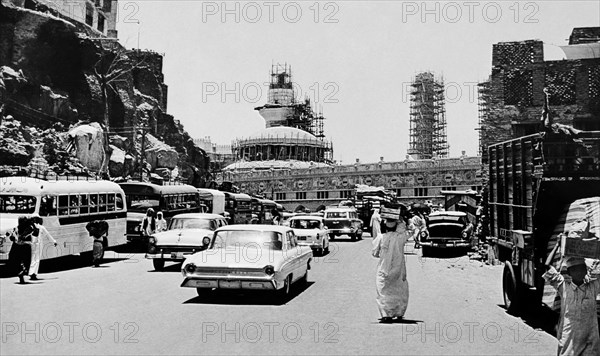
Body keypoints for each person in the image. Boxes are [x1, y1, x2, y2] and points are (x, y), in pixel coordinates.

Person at [544, 256, 600, 356]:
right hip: (569, 340)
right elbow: (547, 267)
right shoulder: (564, 286)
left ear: (586, 270)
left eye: (581, 269)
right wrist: (557, 245)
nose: (578, 272)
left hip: (590, 341)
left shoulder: (593, 287)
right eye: (575, 270)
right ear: (569, 272)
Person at [372, 208, 410, 323]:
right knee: (400, 290)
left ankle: (386, 314)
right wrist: (401, 219)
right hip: (399, 269)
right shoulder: (401, 237)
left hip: (384, 269)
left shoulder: (380, 238)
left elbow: (374, 253)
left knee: (383, 291)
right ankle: (399, 313)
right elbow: (410, 229)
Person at [6, 216, 34, 284]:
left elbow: (12, 237)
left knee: (17, 261)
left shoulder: (18, 228)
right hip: (24, 246)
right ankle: (23, 271)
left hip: (18, 246)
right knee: (25, 261)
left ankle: (21, 272)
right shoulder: (28, 228)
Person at [29, 216, 57, 280]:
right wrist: (54, 241)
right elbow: (48, 235)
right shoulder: (41, 227)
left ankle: (31, 272)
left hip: (33, 245)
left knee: (33, 258)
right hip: (39, 245)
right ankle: (34, 274)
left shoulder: (32, 227)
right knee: (37, 259)